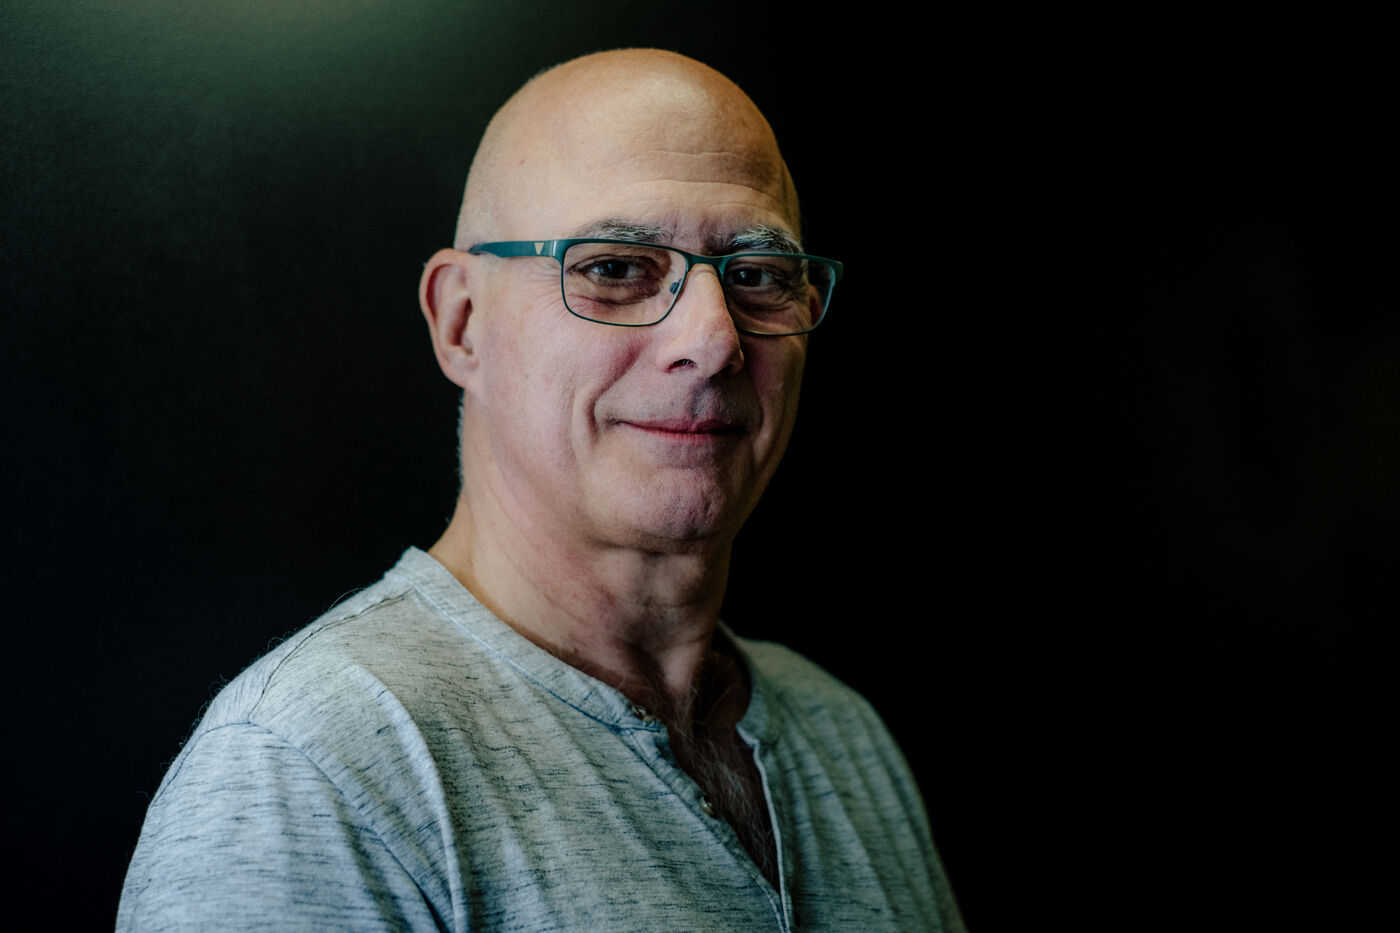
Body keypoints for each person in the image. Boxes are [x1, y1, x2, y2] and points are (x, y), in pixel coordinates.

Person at [118, 49, 964, 931]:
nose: (714, 341)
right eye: (616, 268)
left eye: (757, 275)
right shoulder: (311, 771)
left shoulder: (844, 735)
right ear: (462, 322)